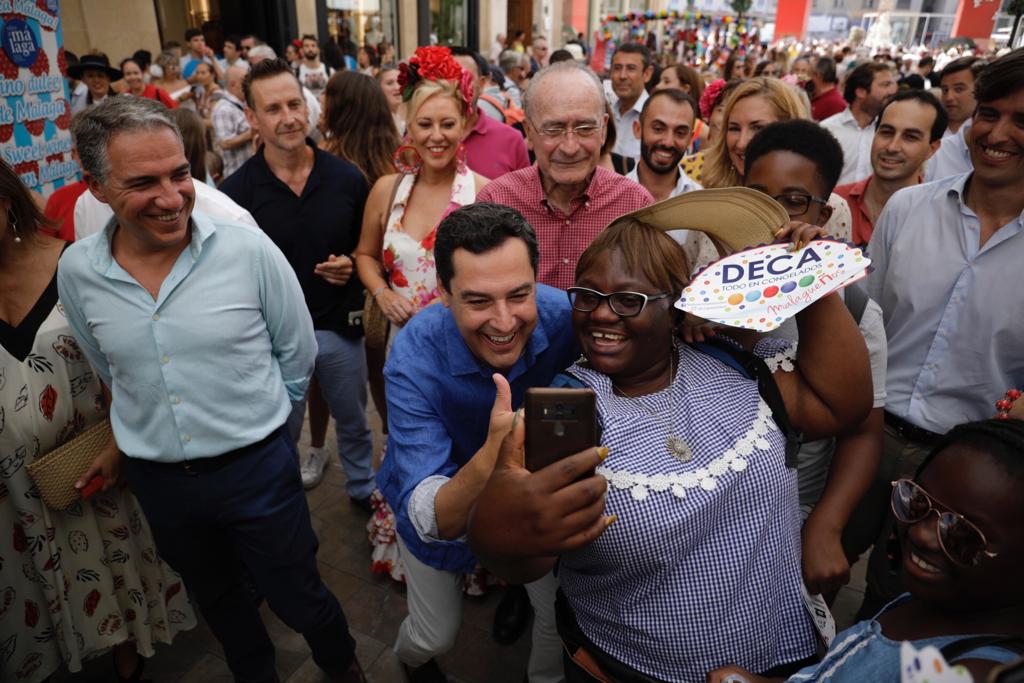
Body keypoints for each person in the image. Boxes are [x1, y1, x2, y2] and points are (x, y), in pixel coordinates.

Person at [466, 204, 873, 682]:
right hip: (634, 670)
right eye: (588, 296)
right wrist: (494, 524)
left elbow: (842, 407)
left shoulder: (733, 364)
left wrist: (810, 279)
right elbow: (529, 558)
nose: (601, 313)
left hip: (783, 654)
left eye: (627, 301)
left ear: (674, 305)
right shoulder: (569, 409)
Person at [58, 95, 367, 683]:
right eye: (143, 183)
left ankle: (341, 663)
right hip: (162, 484)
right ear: (96, 187)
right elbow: (111, 369)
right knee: (221, 602)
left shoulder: (246, 250)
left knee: (297, 595)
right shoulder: (77, 271)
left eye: (179, 174)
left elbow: (296, 352)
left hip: (258, 471)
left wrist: (268, 433)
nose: (171, 198)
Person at [0, 157, 196, 683]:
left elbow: (132, 360)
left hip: (96, 462)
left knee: (112, 559)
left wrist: (121, 442)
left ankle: (126, 649)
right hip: (11, 490)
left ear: (5, 199)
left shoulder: (76, 265)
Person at [376, 202, 577, 683]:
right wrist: (497, 449)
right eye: (479, 301)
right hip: (448, 505)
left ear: (536, 278)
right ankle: (410, 660)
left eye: (519, 295)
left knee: (556, 621)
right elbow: (433, 516)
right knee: (435, 634)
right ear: (443, 293)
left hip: (533, 505)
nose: (505, 322)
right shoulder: (411, 359)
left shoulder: (566, 316)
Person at [857, 48, 1024, 619]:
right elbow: (866, 329)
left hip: (963, 477)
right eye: (990, 113)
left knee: (904, 610)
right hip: (866, 441)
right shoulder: (907, 209)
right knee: (808, 572)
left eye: (1022, 121)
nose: (998, 133)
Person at [709, 418, 1024, 682]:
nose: (923, 535)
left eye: (962, 534)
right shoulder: (931, 603)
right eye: (917, 502)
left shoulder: (967, 673)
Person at [742, 119, 888, 600]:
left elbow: (863, 429)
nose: (774, 215)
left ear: (822, 215)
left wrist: (826, 526)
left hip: (797, 510)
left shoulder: (853, 310)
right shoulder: (709, 293)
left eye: (794, 199)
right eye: (757, 195)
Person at [218, 59, 374, 497]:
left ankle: (362, 488)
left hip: (339, 329)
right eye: (273, 109)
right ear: (251, 118)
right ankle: (284, 504)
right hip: (272, 340)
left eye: (294, 104)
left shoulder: (346, 178)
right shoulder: (235, 196)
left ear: (308, 107)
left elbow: (369, 251)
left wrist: (351, 263)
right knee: (279, 430)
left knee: (355, 420)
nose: (288, 117)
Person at [478, 61, 653, 290]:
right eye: (554, 129)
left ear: (603, 130)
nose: (570, 147)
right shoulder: (496, 202)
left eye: (584, 128)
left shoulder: (634, 206)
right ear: (529, 133)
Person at [698, 78, 854, 247]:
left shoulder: (833, 209)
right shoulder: (707, 204)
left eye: (758, 128)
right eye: (734, 128)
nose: (742, 143)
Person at [835, 90, 946, 246]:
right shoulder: (835, 203)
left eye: (910, 137)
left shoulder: (940, 219)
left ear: (932, 149)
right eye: (886, 132)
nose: (892, 147)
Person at [449, 47, 530, 180]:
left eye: (464, 78)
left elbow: (525, 196)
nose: (455, 85)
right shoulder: (424, 139)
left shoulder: (511, 140)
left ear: (481, 84)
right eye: (447, 77)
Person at [821, 62, 898, 184]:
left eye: (892, 84)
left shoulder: (891, 133)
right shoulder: (827, 130)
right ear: (861, 92)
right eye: (885, 85)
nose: (892, 91)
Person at [624, 88, 702, 209]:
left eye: (680, 132)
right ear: (638, 129)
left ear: (690, 139)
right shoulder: (614, 197)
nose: (668, 142)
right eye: (658, 129)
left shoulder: (700, 202)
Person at [925, 56, 986, 183]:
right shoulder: (928, 134)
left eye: (959, 89)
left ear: (981, 90)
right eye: (945, 90)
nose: (949, 97)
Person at [608, 43, 653, 173]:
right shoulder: (604, 113)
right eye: (617, 68)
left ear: (647, 74)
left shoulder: (656, 117)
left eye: (631, 69)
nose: (622, 76)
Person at [209, 64, 253, 179]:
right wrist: (252, 133)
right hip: (236, 175)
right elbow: (224, 142)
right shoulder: (223, 109)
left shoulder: (243, 103)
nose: (250, 84)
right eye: (246, 81)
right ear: (233, 85)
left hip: (249, 172)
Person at [655, 63, 707, 152]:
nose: (658, 86)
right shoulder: (651, 118)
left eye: (666, 81)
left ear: (685, 88)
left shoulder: (703, 132)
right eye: (658, 129)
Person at [298, 34, 334, 99]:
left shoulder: (329, 71)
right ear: (302, 50)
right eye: (306, 46)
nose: (310, 49)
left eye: (313, 45)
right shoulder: (296, 72)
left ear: (318, 49)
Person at [810, 57, 846, 121]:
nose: (810, 77)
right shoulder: (815, 93)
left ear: (818, 75)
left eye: (811, 73)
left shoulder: (836, 103)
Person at [377, 63, 406, 135]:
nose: (397, 87)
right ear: (378, 87)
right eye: (390, 83)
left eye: (400, 82)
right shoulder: (376, 120)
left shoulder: (413, 110)